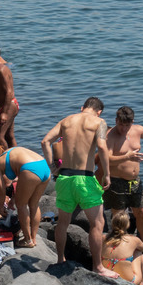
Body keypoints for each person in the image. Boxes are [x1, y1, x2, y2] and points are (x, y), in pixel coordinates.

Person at [40, 96, 116, 272]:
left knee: (63, 223)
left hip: (64, 178)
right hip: (85, 179)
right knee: (97, 223)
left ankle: (60, 259)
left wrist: (52, 167)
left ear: (82, 108)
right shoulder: (99, 122)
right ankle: (98, 267)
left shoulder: (67, 120)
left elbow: (45, 142)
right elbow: (103, 148)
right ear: (99, 111)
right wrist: (107, 174)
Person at [105, 107, 143, 260]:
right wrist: (126, 157)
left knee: (142, 213)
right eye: (120, 125)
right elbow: (105, 158)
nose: (123, 128)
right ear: (116, 121)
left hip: (135, 182)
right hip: (117, 181)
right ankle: (121, 249)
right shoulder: (110, 135)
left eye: (126, 125)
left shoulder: (137, 130)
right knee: (119, 216)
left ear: (132, 123)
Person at [0, 145, 50, 249]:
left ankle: (27, 240)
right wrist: (13, 198)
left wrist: (1, 206)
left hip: (30, 168)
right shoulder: (10, 153)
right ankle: (33, 238)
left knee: (21, 205)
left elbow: (1, 189)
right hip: (44, 166)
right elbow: (22, 183)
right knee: (34, 204)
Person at [102, 211, 143, 285]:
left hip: (106, 278)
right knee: (138, 252)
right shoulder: (133, 240)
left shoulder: (103, 238)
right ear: (127, 225)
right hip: (129, 282)